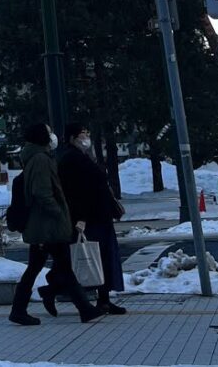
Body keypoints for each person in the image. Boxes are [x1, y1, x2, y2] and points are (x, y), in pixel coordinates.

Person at [9, 123, 105, 326]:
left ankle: (20, 309)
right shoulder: (41, 159)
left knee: (40, 267)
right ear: (42, 137)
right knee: (60, 266)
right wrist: (59, 213)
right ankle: (84, 308)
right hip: (47, 224)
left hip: (42, 224)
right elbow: (42, 192)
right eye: (49, 132)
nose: (52, 136)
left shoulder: (35, 157)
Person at [57, 123, 127, 315]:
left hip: (98, 215)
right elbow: (77, 192)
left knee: (101, 258)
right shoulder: (72, 159)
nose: (85, 137)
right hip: (90, 218)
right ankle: (58, 290)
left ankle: (103, 298)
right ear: (71, 137)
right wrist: (80, 217)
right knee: (95, 257)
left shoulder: (82, 156)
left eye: (87, 133)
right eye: (82, 134)